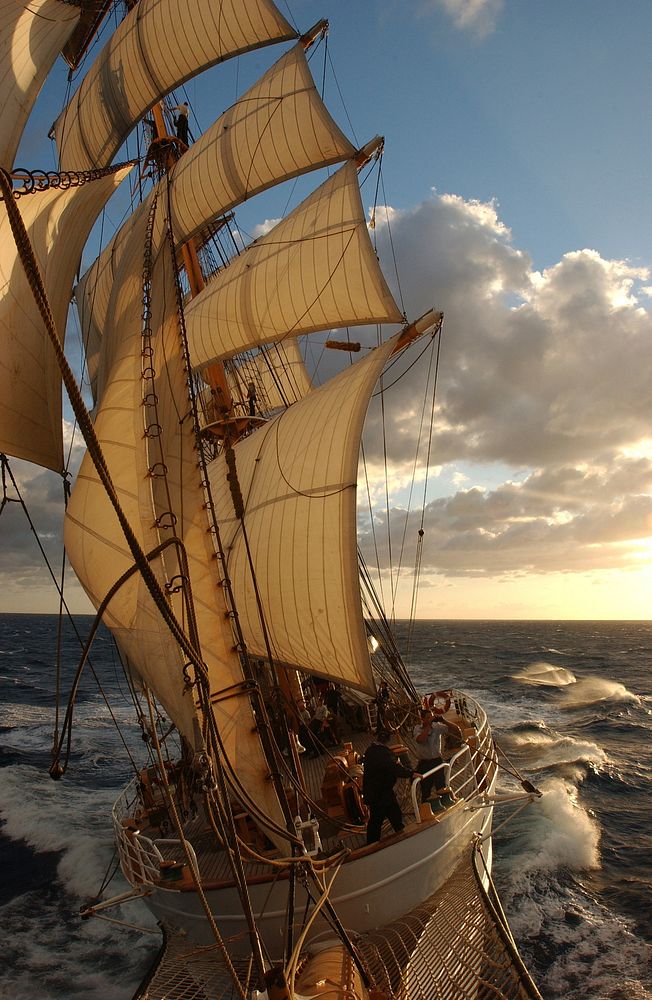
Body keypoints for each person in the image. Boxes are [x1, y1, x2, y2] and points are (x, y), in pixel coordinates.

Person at [362, 730, 416, 845]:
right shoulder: (384, 753)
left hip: (375, 792)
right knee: (388, 818)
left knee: (379, 820)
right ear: (387, 741)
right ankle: (403, 840)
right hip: (381, 793)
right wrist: (411, 773)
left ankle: (372, 844)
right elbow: (393, 768)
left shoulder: (370, 751)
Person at [412, 707, 460, 801]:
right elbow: (421, 740)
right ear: (423, 719)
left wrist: (444, 720)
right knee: (425, 788)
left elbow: (456, 730)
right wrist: (428, 726)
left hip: (437, 761)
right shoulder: (417, 729)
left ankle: (446, 802)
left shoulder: (437, 727)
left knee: (441, 786)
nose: (431, 718)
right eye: (428, 717)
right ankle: (425, 807)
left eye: (432, 716)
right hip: (424, 763)